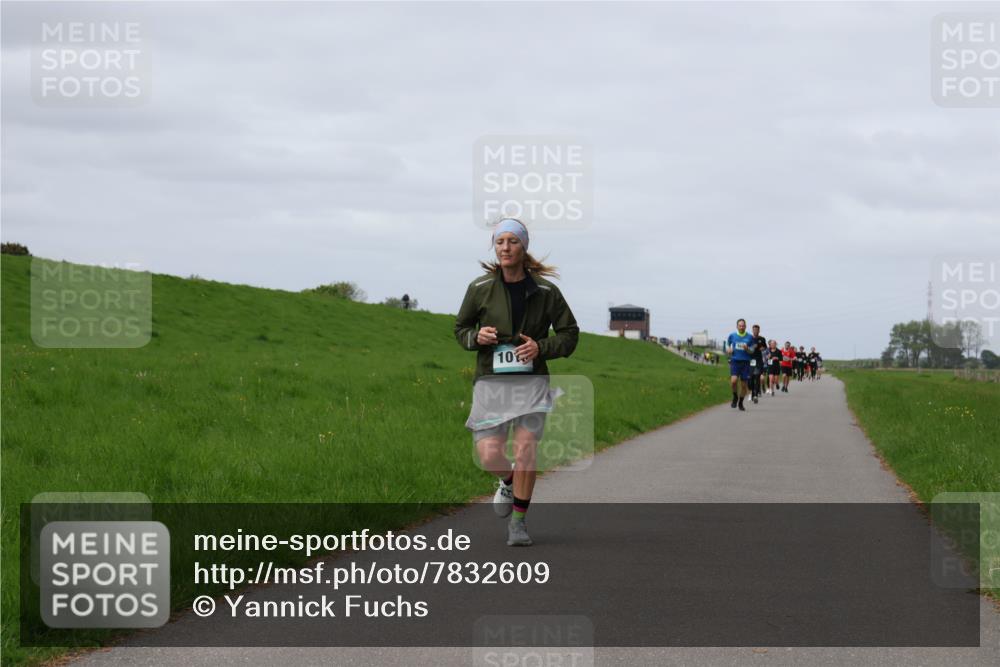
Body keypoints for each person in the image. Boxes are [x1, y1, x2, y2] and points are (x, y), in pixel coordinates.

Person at [454, 218, 579, 547]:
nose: (506, 248)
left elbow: (569, 335)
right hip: (491, 383)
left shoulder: (547, 291)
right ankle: (507, 481)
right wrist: (475, 336)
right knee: (488, 455)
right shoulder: (479, 288)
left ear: (524, 247)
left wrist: (541, 346)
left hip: (532, 383)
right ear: (494, 248)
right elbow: (460, 329)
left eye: (513, 241)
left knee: (526, 451)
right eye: (500, 242)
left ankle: (519, 524)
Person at [723, 318, 754, 411]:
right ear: (737, 326)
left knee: (744, 385)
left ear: (745, 326)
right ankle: (735, 396)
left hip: (745, 362)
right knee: (733, 381)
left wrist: (747, 349)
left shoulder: (750, 337)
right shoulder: (732, 336)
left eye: (743, 325)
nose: (741, 327)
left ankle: (740, 402)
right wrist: (728, 349)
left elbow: (752, 351)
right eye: (740, 325)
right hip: (735, 361)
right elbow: (727, 345)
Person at [748, 324, 767, 403]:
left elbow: (765, 347)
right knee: (750, 378)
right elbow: (746, 347)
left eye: (757, 330)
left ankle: (755, 394)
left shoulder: (762, 339)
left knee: (757, 376)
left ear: (759, 331)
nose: (755, 331)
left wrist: (762, 348)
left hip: (758, 360)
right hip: (750, 360)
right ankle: (752, 392)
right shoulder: (749, 338)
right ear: (752, 330)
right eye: (754, 330)